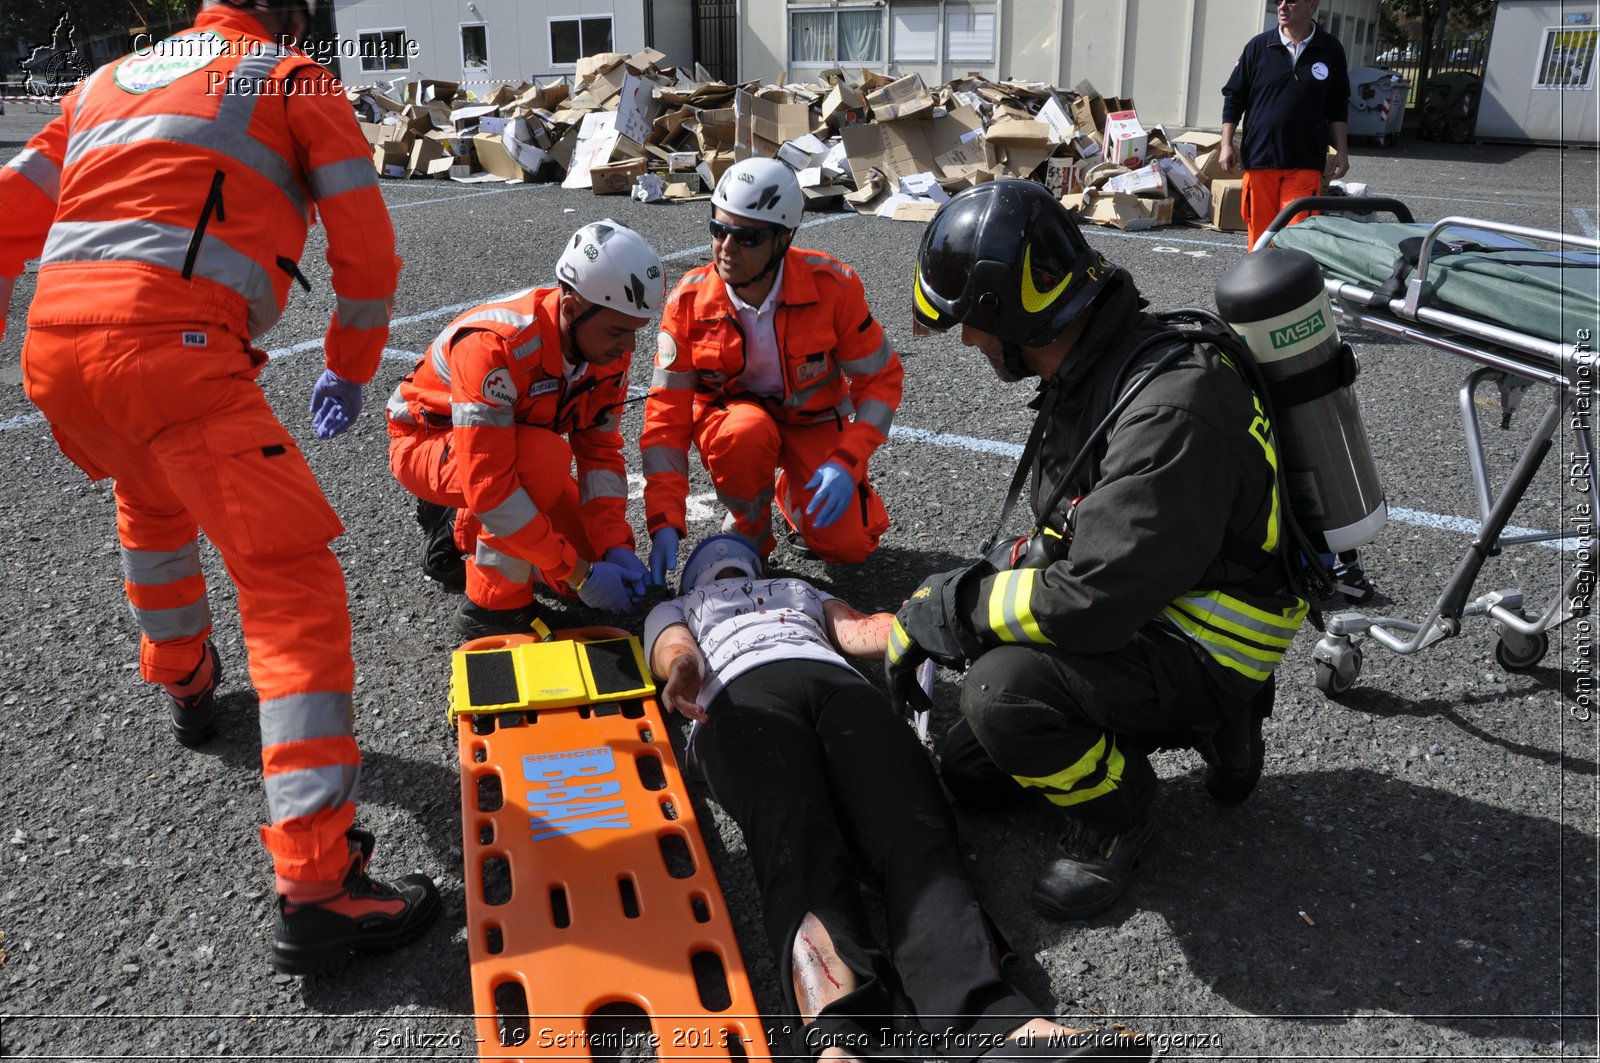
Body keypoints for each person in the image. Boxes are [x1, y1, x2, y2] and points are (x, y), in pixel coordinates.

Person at [0, 0, 440, 974]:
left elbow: (6, 215)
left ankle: (188, 685)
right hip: (179, 352)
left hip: (59, 360)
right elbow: (364, 244)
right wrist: (352, 359)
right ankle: (319, 884)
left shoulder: (101, 82)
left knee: (149, 497)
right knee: (290, 585)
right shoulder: (291, 80)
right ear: (284, 12)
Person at [893, 180, 1308, 922]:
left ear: (1010, 309)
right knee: (971, 769)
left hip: (1211, 638)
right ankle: (1206, 724)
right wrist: (959, 593)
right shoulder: (1094, 365)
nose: (968, 340)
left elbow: (1091, 599)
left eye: (972, 322)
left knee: (1002, 695)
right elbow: (1073, 529)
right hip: (1159, 596)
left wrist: (958, 610)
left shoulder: (1170, 406)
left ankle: (1125, 814)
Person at [645, 534, 1150, 1062]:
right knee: (792, 834)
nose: (727, 568)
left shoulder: (793, 587)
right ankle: (842, 1040)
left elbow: (854, 628)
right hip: (736, 696)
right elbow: (673, 648)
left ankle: (992, 1023)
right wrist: (681, 668)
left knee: (915, 821)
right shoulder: (677, 606)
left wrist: (919, 623)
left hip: (838, 687)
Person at [386, 220, 662, 638]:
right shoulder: (495, 346)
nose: (630, 348)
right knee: (545, 464)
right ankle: (492, 609)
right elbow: (492, 487)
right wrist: (579, 572)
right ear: (571, 308)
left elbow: (600, 455)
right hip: (426, 443)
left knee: (580, 562)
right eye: (618, 331)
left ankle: (455, 527)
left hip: (503, 453)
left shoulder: (605, 352)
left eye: (635, 332)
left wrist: (613, 546)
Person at [640, 157, 903, 583]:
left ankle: (790, 494)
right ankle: (750, 530)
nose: (726, 247)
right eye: (718, 229)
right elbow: (665, 420)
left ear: (783, 240)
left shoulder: (833, 288)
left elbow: (881, 380)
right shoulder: (687, 304)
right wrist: (664, 518)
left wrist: (847, 459)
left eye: (746, 237)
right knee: (744, 432)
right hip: (736, 427)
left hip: (813, 422)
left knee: (850, 547)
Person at [1219, 0, 1350, 249]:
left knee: (1297, 238)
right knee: (1260, 237)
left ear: (1312, 6)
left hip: (1305, 160)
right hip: (1260, 158)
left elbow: (1338, 104)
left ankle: (1290, 287)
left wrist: (1342, 150)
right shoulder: (1259, 46)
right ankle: (1258, 286)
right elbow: (1234, 97)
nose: (1282, 6)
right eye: (1278, 1)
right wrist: (1226, 144)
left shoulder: (1330, 49)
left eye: (1290, 1)